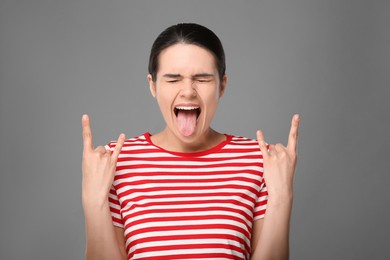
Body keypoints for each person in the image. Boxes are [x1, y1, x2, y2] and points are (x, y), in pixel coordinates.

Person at [82, 23, 300, 260]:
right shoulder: (117, 160)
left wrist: (281, 197)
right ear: (152, 85)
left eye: (202, 79)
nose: (188, 91)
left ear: (222, 85)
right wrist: (94, 200)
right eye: (173, 79)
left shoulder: (260, 159)